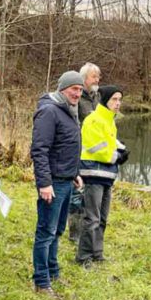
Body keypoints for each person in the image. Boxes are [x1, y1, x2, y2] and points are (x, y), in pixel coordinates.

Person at [30, 71, 84, 299]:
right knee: (46, 232)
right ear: (63, 89)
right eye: (74, 89)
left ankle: (53, 271)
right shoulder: (49, 111)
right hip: (52, 183)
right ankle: (41, 281)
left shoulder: (68, 110)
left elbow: (67, 145)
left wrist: (75, 173)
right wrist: (44, 183)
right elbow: (40, 150)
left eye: (81, 90)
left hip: (66, 180)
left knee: (58, 230)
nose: (78, 94)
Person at [76, 86, 128, 267]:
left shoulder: (109, 121)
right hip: (93, 174)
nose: (118, 103)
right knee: (92, 218)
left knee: (103, 218)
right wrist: (117, 156)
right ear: (105, 99)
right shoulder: (93, 119)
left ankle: (97, 253)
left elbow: (111, 142)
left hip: (106, 175)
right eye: (114, 99)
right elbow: (94, 148)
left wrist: (122, 148)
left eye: (120, 99)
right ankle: (84, 256)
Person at [67, 62, 101, 243]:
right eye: (94, 76)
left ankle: (88, 229)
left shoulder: (98, 97)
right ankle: (74, 232)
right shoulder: (77, 99)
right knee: (76, 192)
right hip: (78, 151)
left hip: (94, 153)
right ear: (84, 78)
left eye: (98, 76)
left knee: (89, 193)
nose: (97, 80)